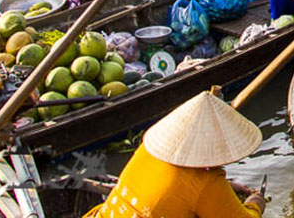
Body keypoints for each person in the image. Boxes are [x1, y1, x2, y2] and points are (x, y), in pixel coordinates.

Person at [84, 89, 266, 217]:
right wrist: (255, 204)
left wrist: (228, 186)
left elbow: (176, 187)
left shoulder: (149, 151)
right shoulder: (205, 182)